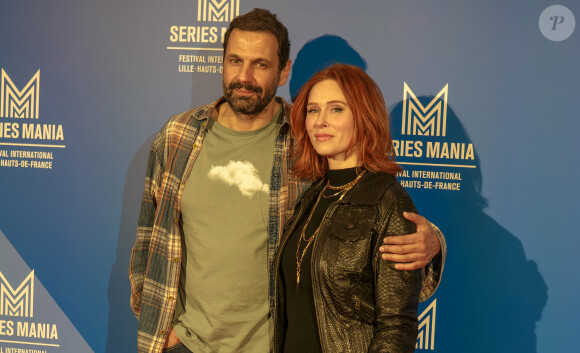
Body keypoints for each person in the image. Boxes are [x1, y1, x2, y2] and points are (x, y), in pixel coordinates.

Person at [129, 8, 445, 353]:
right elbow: (148, 236)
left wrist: (432, 242)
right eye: (235, 61)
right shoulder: (177, 137)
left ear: (283, 71)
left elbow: (366, 208)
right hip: (186, 344)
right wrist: (158, 321)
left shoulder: (306, 142)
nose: (244, 76)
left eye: (260, 65)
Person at [275, 64, 423, 353]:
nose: (320, 121)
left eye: (336, 109)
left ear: (364, 117)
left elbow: (396, 325)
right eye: (313, 110)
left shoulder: (388, 200)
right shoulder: (312, 196)